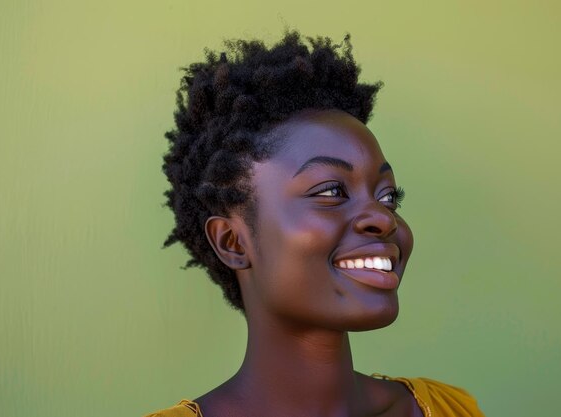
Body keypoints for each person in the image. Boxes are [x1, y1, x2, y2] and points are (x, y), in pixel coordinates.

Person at [145, 30, 485, 417]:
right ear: (233, 242)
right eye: (330, 191)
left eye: (389, 196)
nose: (382, 217)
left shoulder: (448, 409)